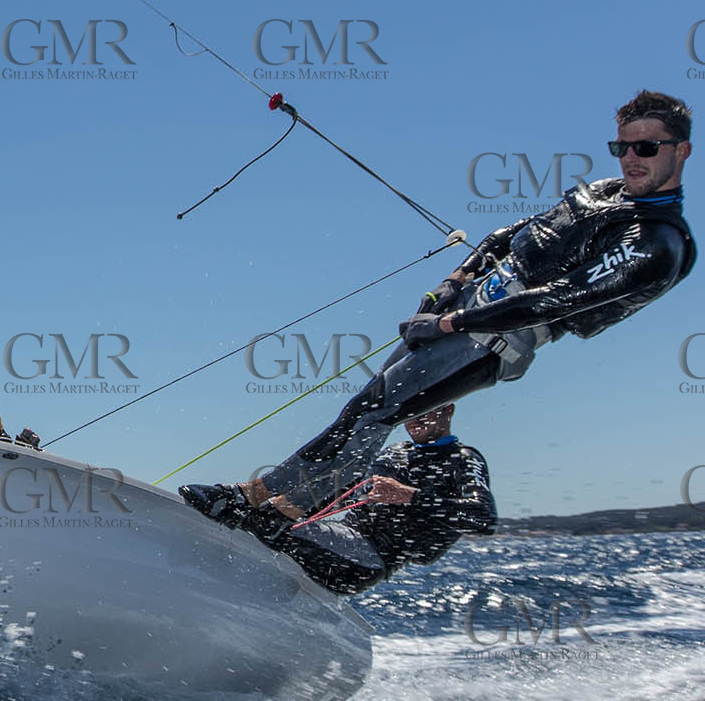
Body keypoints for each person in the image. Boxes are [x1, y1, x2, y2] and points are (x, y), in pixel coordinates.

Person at [183, 89, 695, 527]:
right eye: (621, 147)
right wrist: (450, 285)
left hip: (494, 338)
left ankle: (281, 509)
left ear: (682, 151)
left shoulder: (659, 244)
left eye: (645, 147)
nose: (631, 159)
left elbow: (550, 301)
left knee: (381, 412)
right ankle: (267, 500)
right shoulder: (605, 193)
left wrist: (450, 321)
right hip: (464, 310)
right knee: (363, 406)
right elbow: (507, 237)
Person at [207, 403, 496, 595]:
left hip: (368, 560)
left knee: (263, 524)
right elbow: (335, 490)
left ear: (448, 410)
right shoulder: (395, 451)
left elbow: (482, 518)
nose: (417, 420)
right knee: (263, 517)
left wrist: (409, 496)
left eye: (427, 411)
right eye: (413, 411)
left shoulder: (462, 460)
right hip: (340, 540)